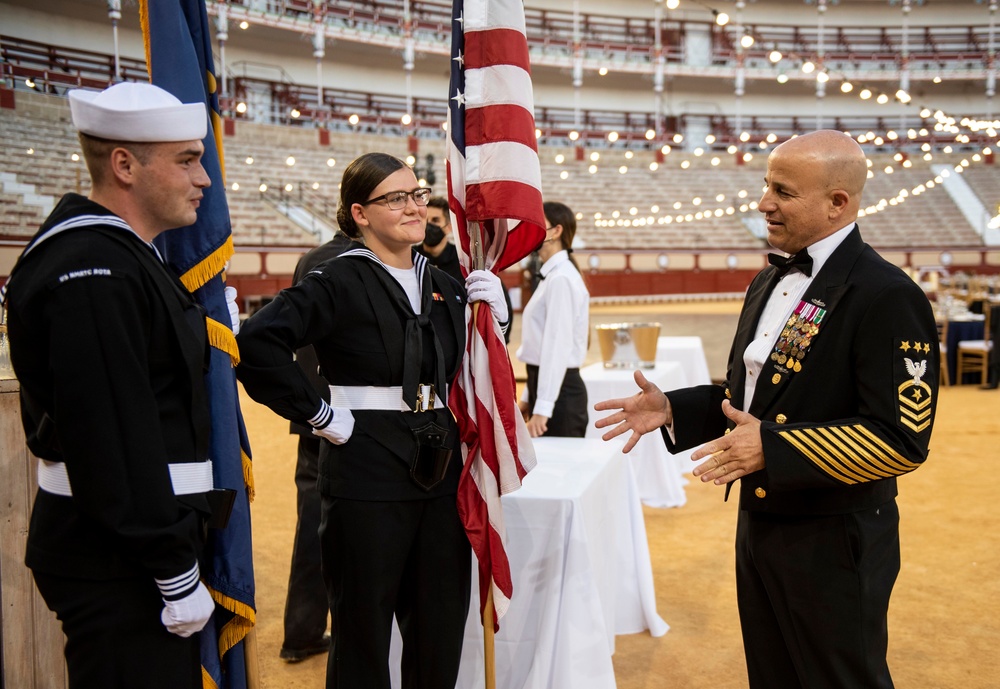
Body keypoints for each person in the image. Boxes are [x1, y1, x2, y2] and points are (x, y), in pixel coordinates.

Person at [595, 130, 939, 689]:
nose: (762, 203)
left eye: (782, 190)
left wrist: (773, 449)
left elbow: (902, 439)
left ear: (837, 203)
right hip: (761, 522)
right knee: (773, 673)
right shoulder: (767, 280)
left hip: (836, 534)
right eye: (765, 185)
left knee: (838, 677)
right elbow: (758, 400)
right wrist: (674, 408)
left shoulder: (886, 294)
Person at [235, 152, 509, 689]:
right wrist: (318, 413)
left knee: (438, 629)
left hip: (441, 472)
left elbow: (475, 365)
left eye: (418, 195)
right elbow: (256, 343)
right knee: (363, 632)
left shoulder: (448, 282)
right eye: (396, 198)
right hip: (364, 467)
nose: (415, 208)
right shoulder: (336, 278)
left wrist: (496, 316)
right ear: (359, 212)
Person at [2, 82, 228, 688]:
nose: (204, 178)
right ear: (125, 165)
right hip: (121, 555)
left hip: (131, 547)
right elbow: (114, 434)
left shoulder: (118, 256)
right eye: (187, 159)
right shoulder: (92, 266)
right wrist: (175, 571)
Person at [280, 229, 353, 662]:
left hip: (311, 409)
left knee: (310, 520)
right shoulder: (367, 258)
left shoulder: (311, 258)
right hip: (350, 412)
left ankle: (302, 631)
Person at [516, 201, 591, 437]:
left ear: (556, 231)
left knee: (562, 472)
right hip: (547, 388)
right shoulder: (553, 276)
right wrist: (530, 396)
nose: (532, 230)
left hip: (560, 396)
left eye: (539, 224)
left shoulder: (561, 279)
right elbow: (540, 347)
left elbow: (556, 347)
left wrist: (544, 407)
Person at [418, 195, 513, 343]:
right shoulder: (410, 259)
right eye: (425, 221)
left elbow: (496, 302)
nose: (428, 226)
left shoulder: (465, 263)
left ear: (448, 227)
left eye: (435, 221)